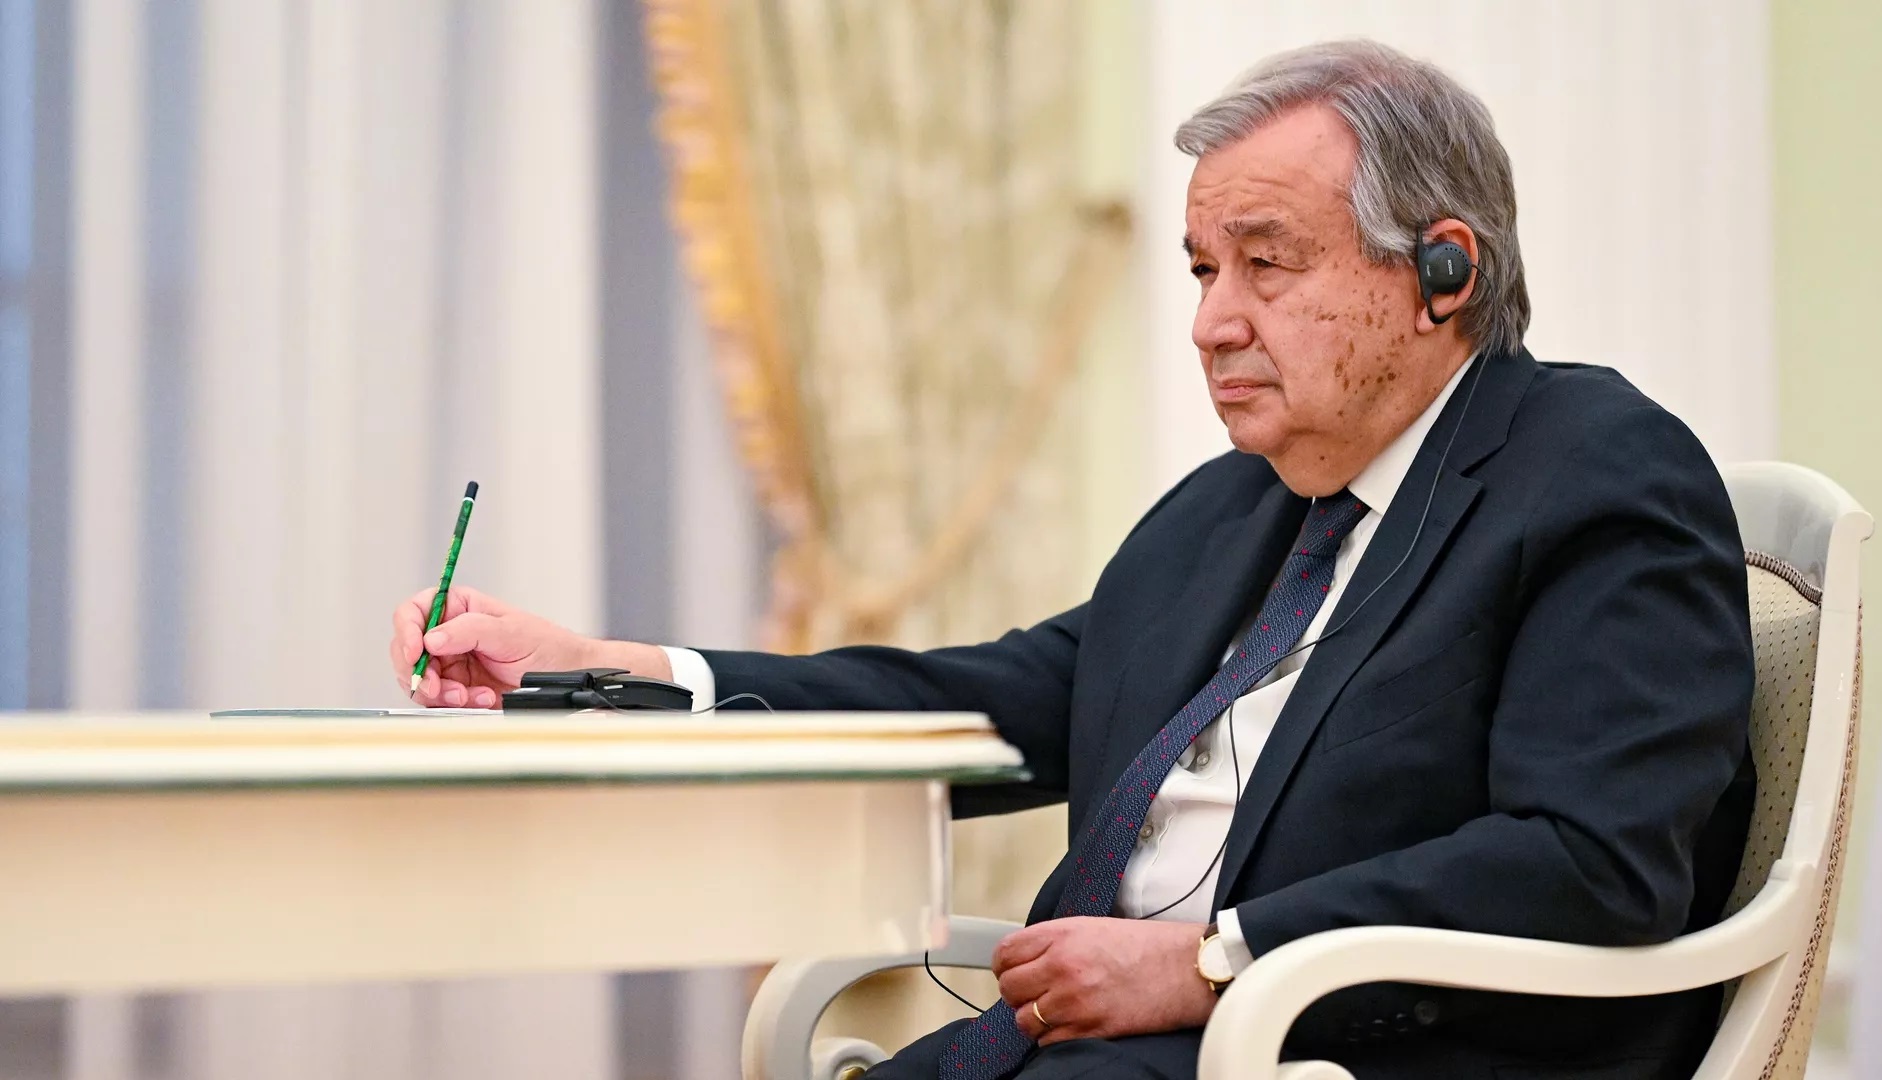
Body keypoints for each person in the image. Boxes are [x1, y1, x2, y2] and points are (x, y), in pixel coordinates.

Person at [389, 39, 1754, 1080]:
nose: (1213, 322)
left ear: (1442, 274)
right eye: (1202, 270)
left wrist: (1213, 963)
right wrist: (615, 672)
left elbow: (1590, 864)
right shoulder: (1235, 511)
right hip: (1101, 1047)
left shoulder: (1595, 471)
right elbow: (988, 704)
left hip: (1345, 1052)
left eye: (1267, 265)